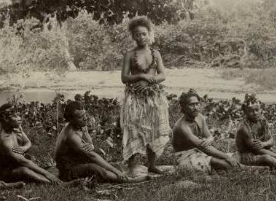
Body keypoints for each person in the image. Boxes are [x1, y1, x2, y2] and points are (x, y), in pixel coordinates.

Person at [120, 16, 171, 175]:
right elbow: (124, 77)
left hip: (153, 97)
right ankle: (133, 165)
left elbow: (162, 75)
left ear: (149, 34)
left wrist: (151, 80)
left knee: (153, 129)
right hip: (135, 98)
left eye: (143, 34)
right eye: (137, 34)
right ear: (133, 36)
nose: (140, 37)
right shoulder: (129, 54)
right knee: (134, 128)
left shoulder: (156, 54)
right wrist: (141, 77)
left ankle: (152, 164)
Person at [55, 101, 148, 183]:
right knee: (93, 168)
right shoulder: (71, 136)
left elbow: (88, 141)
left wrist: (91, 144)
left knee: (113, 165)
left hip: (78, 162)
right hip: (68, 171)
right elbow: (92, 156)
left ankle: (123, 174)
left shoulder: (80, 125)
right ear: (71, 120)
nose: (85, 118)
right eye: (80, 117)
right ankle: (125, 180)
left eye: (85, 115)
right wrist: (116, 171)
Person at [172, 90, 241, 173]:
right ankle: (251, 169)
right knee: (224, 163)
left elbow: (209, 137)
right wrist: (227, 157)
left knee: (236, 156)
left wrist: (208, 140)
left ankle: (242, 168)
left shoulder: (199, 117)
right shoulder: (182, 126)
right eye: (191, 105)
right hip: (184, 157)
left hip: (199, 151)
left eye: (197, 104)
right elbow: (203, 147)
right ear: (183, 106)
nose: (195, 107)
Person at [0, 103, 62, 185]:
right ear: (5, 119)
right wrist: (47, 174)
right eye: (15, 116)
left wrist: (24, 148)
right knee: (25, 171)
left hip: (21, 165)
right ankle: (56, 183)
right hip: (7, 174)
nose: (19, 119)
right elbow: (22, 161)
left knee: (54, 169)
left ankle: (40, 179)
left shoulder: (16, 128)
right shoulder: (4, 140)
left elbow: (28, 142)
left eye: (18, 115)